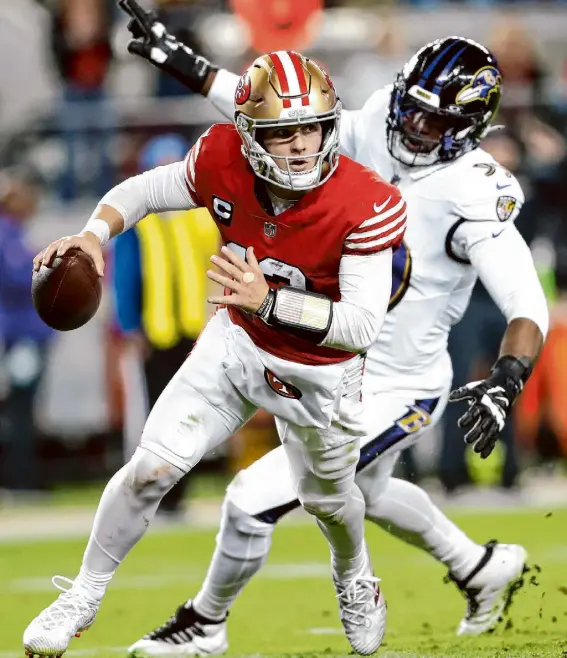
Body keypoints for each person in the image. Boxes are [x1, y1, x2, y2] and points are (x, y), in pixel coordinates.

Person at [117, 14, 549, 656]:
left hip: (397, 385)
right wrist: (189, 66)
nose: (415, 129)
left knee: (251, 499)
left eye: (435, 123)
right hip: (331, 362)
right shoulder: (376, 121)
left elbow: (526, 302)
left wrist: (508, 378)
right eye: (412, 110)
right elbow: (288, 117)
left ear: (468, 131)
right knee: (366, 492)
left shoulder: (475, 190)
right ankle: (480, 567)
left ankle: (204, 622)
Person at [23, 50, 407, 658]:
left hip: (321, 372)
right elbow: (150, 188)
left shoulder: (365, 200)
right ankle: (84, 594)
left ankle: (356, 576)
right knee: (150, 470)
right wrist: (93, 235)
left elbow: (360, 327)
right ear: (253, 134)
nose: (303, 145)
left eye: (312, 127)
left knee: (329, 504)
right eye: (284, 132)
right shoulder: (222, 158)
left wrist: (267, 300)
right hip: (239, 345)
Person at [112, 134, 219, 515]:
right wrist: (128, 327)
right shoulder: (140, 218)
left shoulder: (201, 214)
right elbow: (124, 277)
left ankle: (178, 492)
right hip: (155, 331)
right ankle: (146, 491)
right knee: (153, 415)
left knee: (189, 413)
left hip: (194, 328)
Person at [0, 167, 52, 495]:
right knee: (21, 407)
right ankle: (20, 479)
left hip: (28, 334)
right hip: (22, 336)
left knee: (25, 407)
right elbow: (19, 278)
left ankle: (23, 476)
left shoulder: (15, 232)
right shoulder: (7, 235)